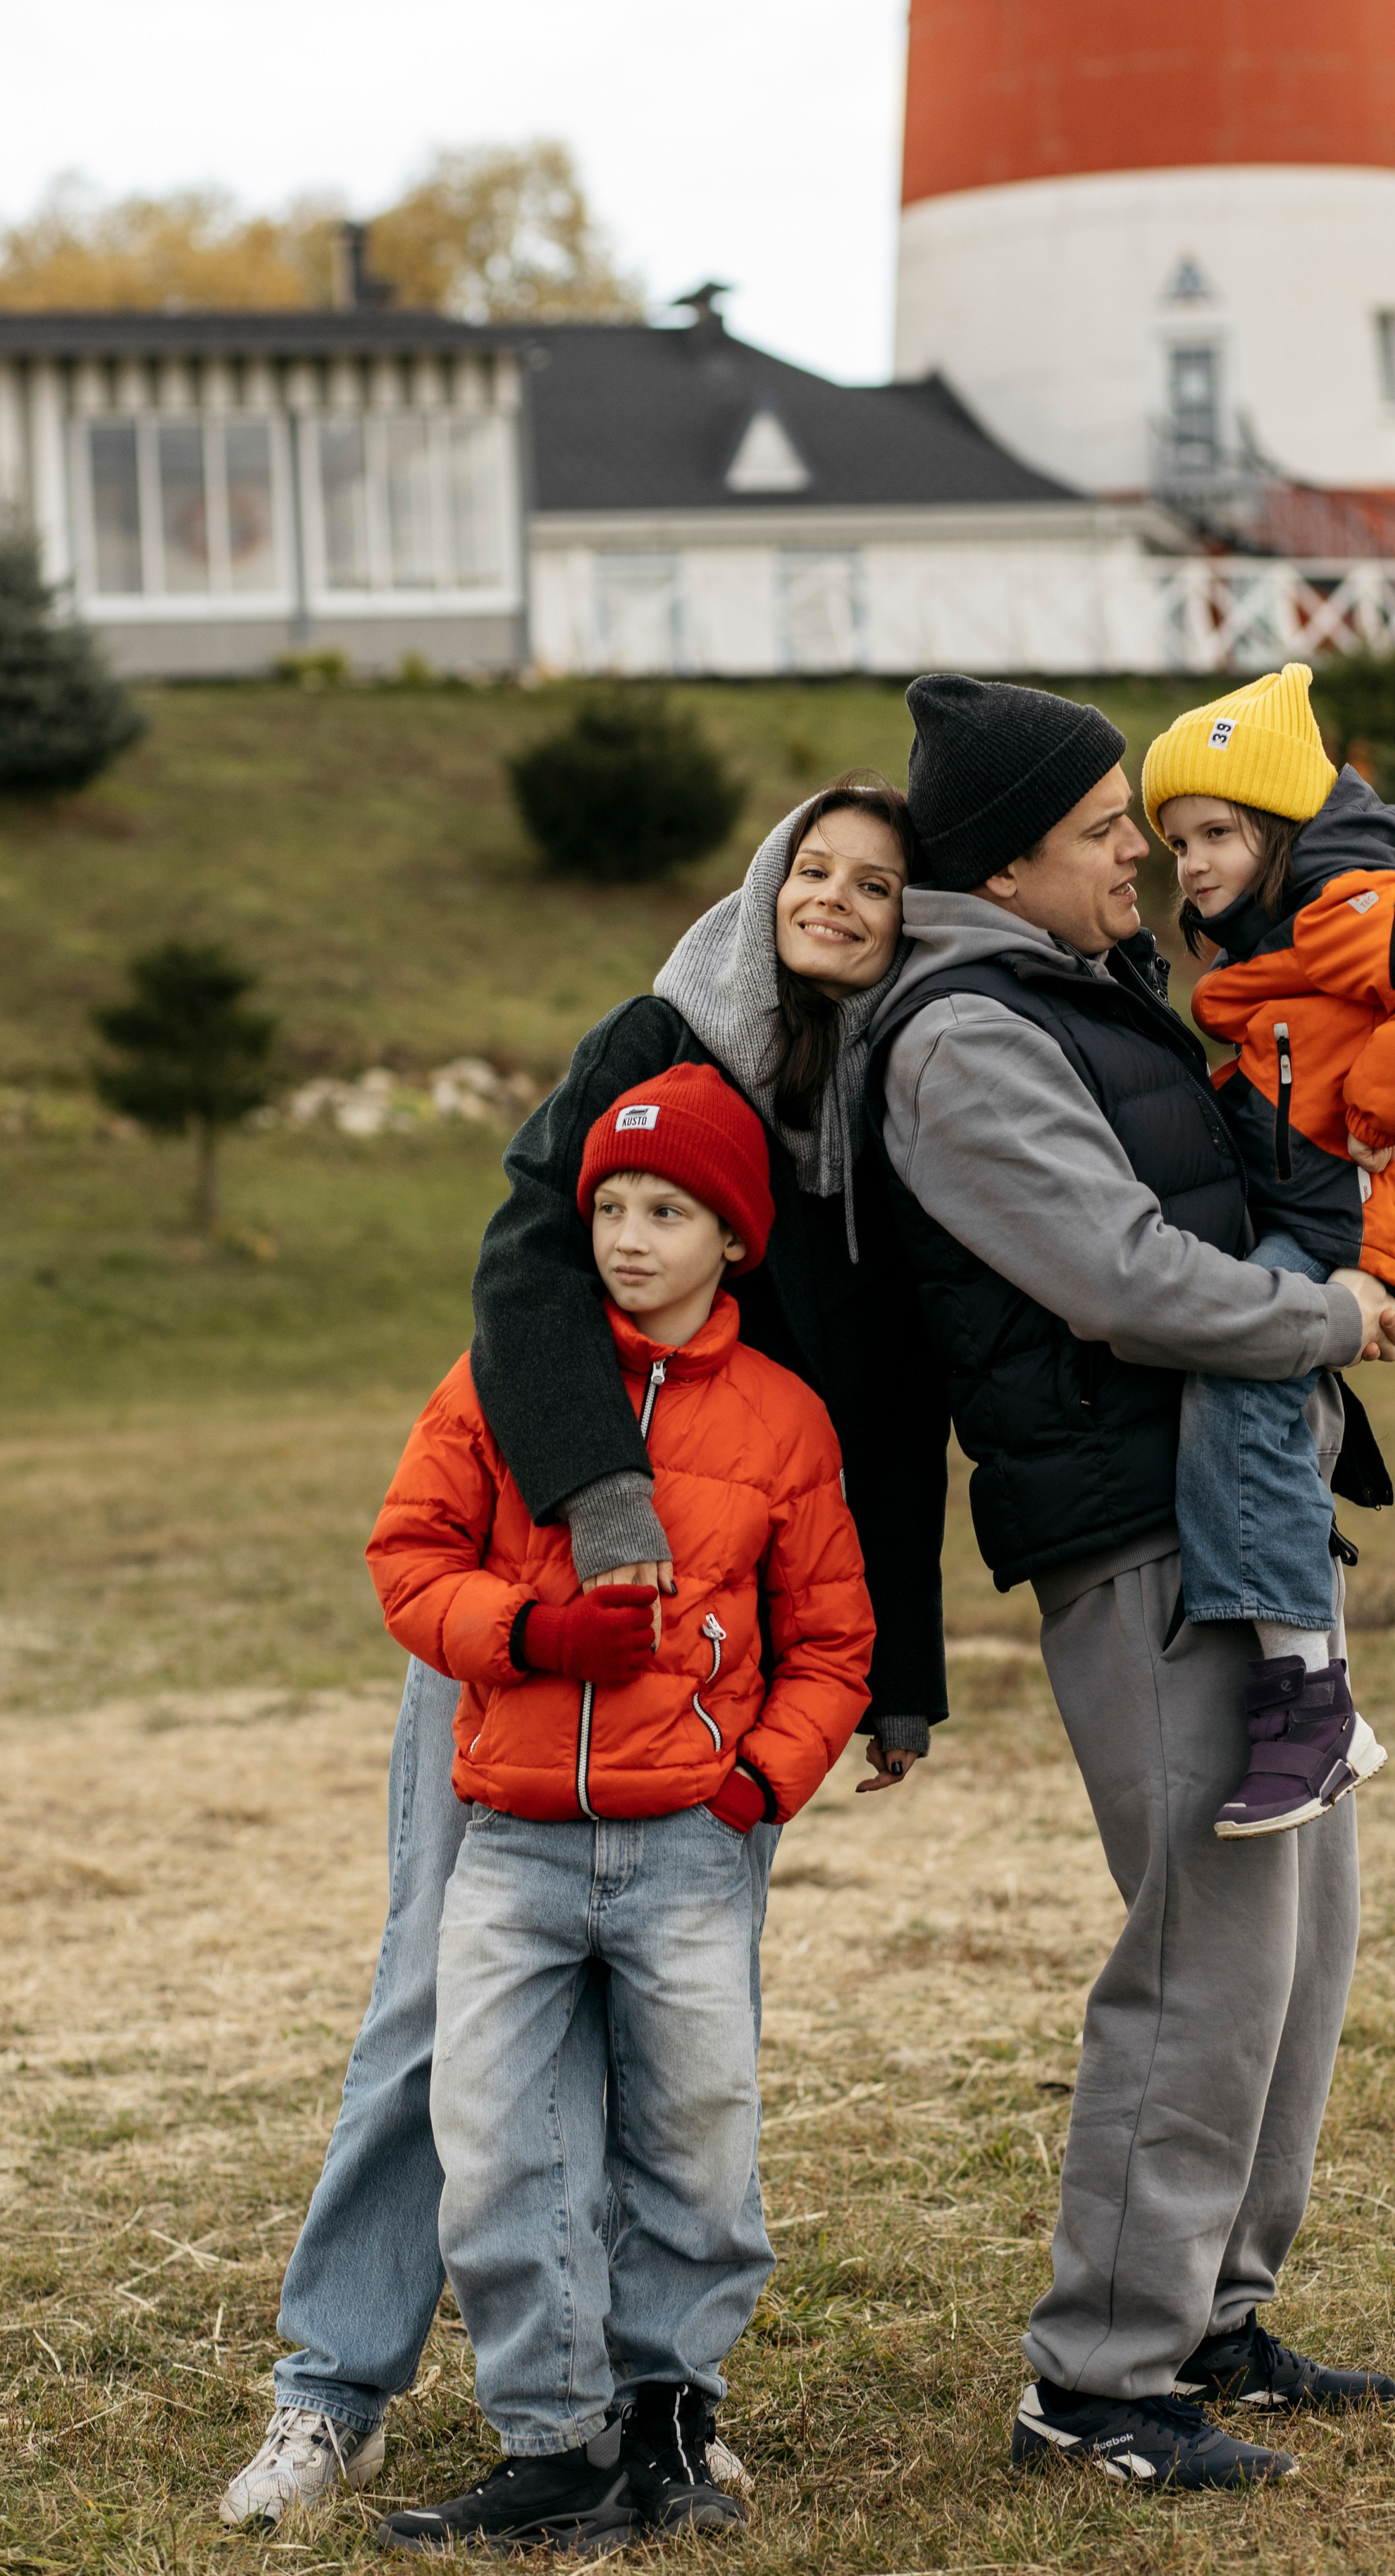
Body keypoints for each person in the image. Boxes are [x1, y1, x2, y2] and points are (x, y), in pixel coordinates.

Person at [221, 782, 948, 2531]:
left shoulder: (901, 1093)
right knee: (433, 2009)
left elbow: (880, 1404)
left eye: (878, 886)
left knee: (676, 2045)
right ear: (767, 877)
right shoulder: (654, 1037)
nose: (838, 902)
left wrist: (886, 1669)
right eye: (815, 869)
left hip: (720, 1681)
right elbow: (525, 1283)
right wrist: (590, 1543)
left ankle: (649, 2410)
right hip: (535, 1636)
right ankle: (336, 2388)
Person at [867, 674, 1395, 2496]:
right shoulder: (962, 1039)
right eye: (1109, 828)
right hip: (1136, 1526)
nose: (1143, 855)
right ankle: (1096, 2379)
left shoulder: (1086, 996)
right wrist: (1324, 1317)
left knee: (1297, 1941)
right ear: (1008, 861)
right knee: (1201, 1949)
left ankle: (1209, 2318)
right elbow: (1115, 1277)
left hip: (1234, 1508)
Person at [363, 1066, 873, 2554]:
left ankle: (670, 2411)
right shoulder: (501, 1382)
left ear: (734, 1239)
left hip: (685, 1852)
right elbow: (406, 1560)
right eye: (605, 1208)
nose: (629, 1237)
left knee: (698, 2137)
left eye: (667, 1210)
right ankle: (553, 2440)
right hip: (511, 1846)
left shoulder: (780, 1421)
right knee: (493, 2142)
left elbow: (832, 1640)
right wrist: (528, 1638)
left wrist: (754, 1782)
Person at [1141, 663, 1395, 1839]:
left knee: (1242, 1367)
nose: (1189, 863)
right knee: (1242, 1372)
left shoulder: (1351, 904)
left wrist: (1370, 1116)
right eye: (1174, 841)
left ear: (1282, 824)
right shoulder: (1272, 935)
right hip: (1312, 1214)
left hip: (1350, 1214)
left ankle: (1310, 1700)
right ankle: (1294, 1670)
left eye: (1214, 832)